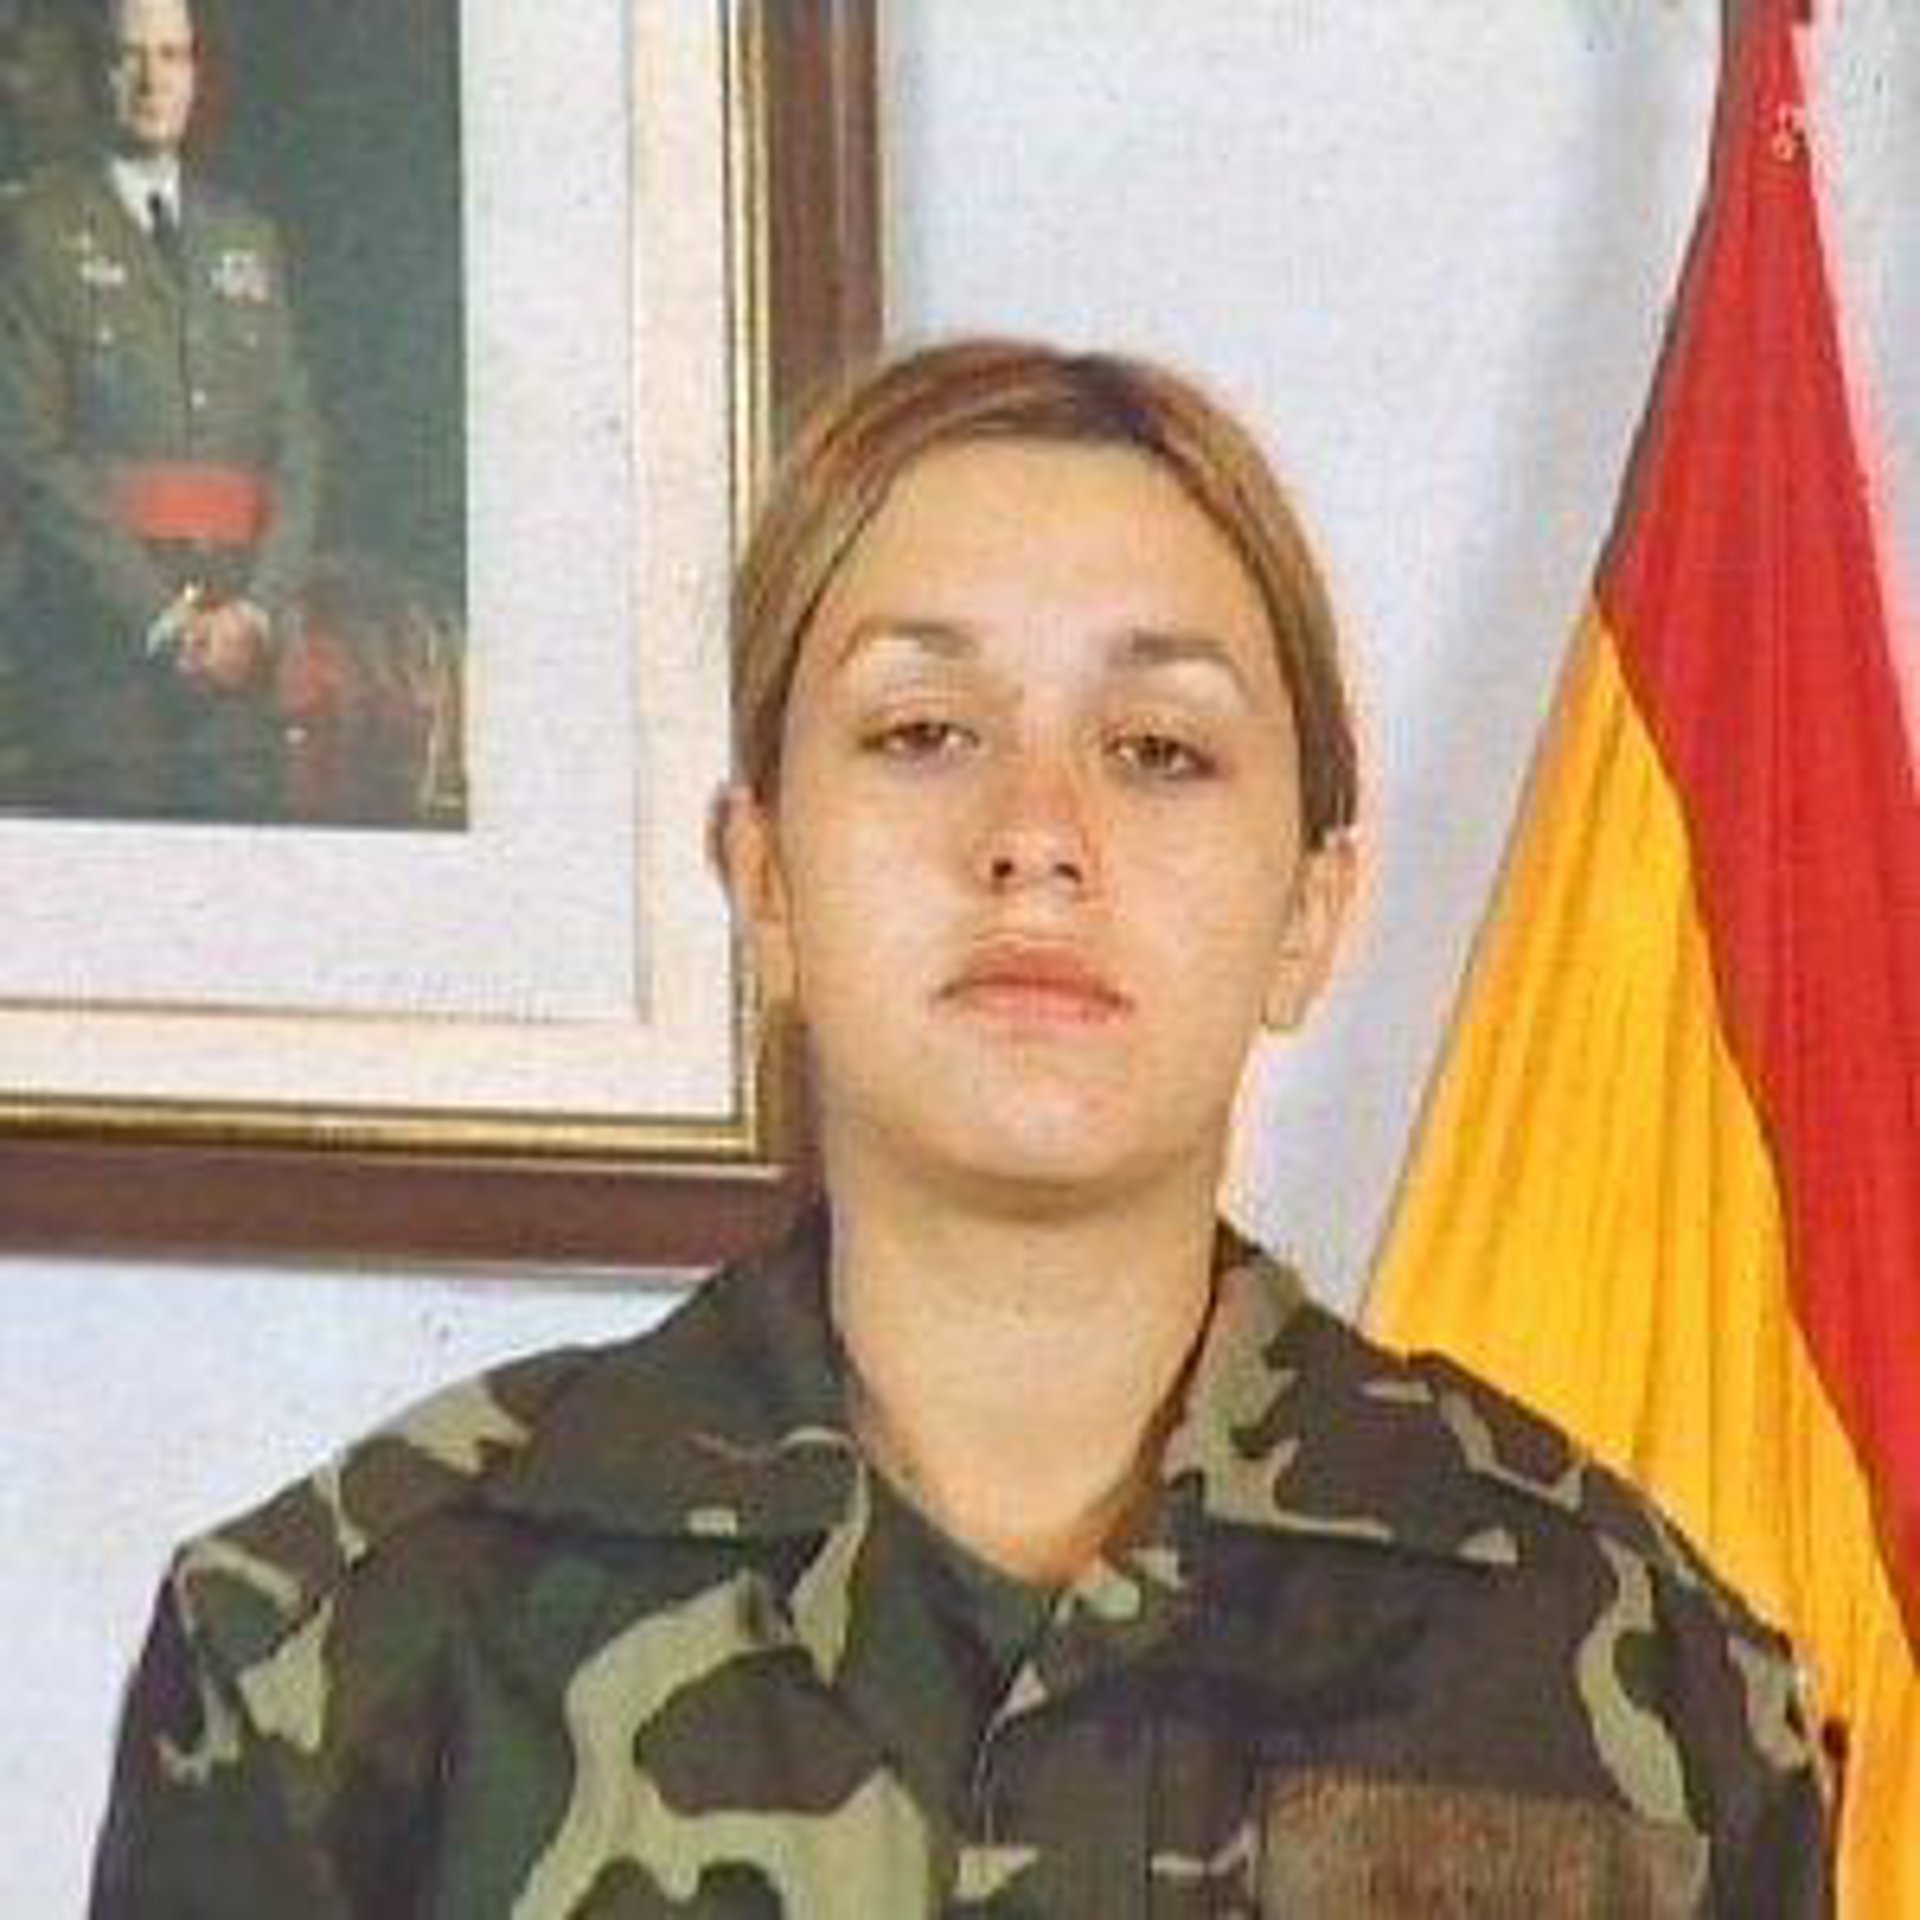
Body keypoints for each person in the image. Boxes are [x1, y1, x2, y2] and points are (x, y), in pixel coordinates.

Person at [89, 342, 1831, 1914]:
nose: (1036, 834)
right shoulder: (336, 1662)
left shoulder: (1656, 1703)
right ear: (764, 878)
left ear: (1311, 912)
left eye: (1158, 749)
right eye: (923, 730)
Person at [0, 0, 318, 821]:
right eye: (128, 56)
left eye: (172, 56)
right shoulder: (32, 232)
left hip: (241, 663)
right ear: (95, 73)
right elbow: (27, 454)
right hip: (98, 660)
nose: (152, 81)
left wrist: (256, 611)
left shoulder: (247, 238)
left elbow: (298, 449)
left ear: (197, 75)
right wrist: (162, 620)